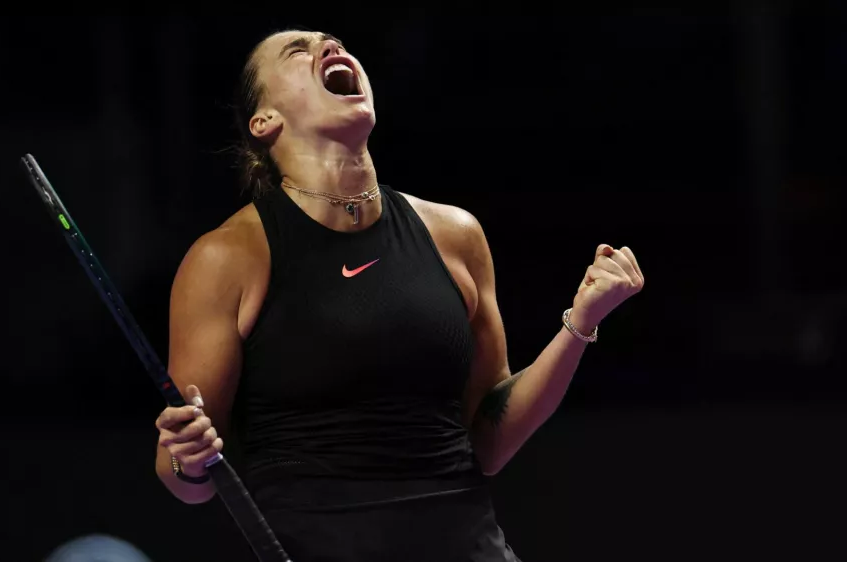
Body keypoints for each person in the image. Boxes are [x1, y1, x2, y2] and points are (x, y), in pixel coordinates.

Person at [153, 29, 644, 561]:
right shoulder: (227, 257)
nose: (329, 47)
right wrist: (186, 456)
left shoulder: (454, 235)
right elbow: (187, 478)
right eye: (298, 50)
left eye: (336, 41)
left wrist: (580, 324)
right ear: (264, 122)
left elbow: (490, 441)